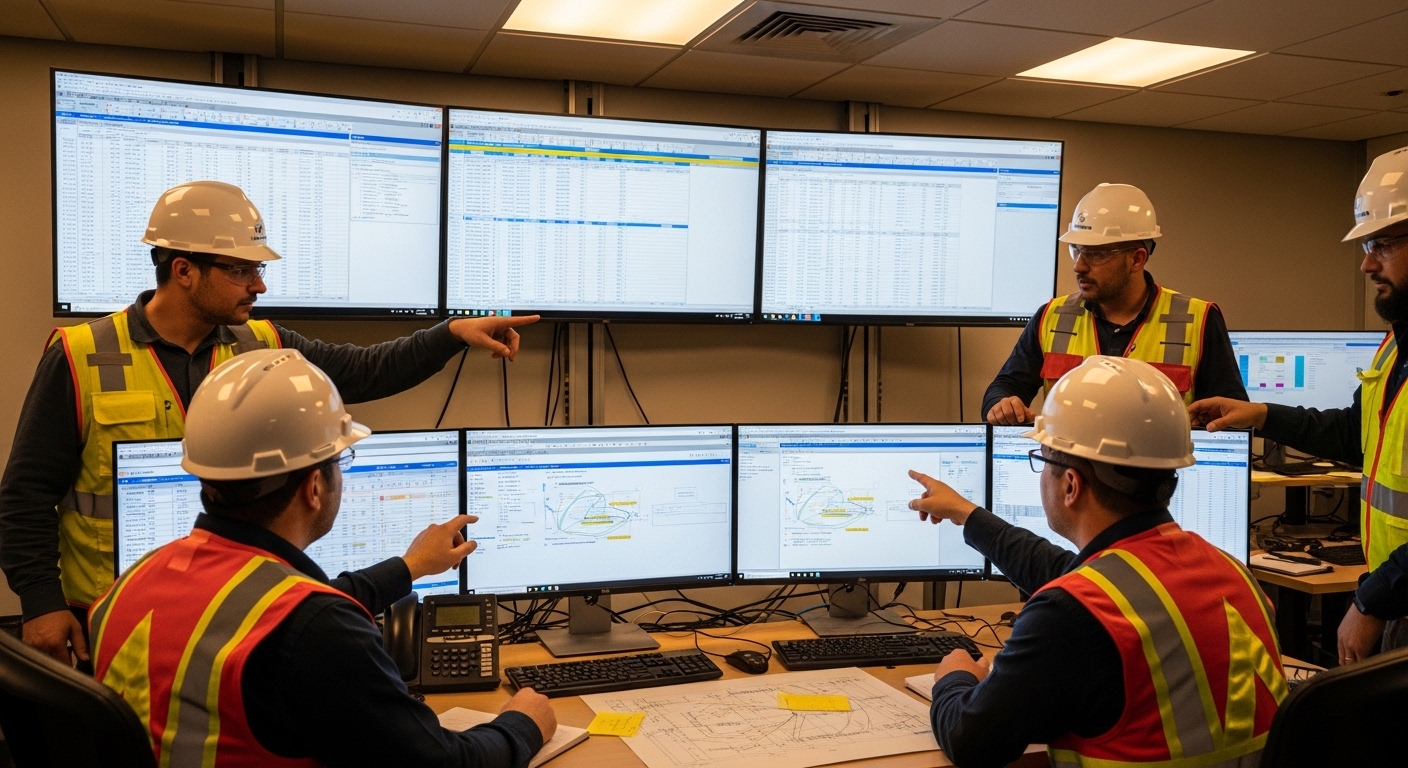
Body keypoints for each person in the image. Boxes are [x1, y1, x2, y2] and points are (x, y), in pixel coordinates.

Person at [0, 180, 538, 666]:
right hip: (113, 620)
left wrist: (451, 334)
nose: (257, 286)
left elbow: (365, 371)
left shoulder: (262, 343)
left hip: (232, 615)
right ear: (183, 270)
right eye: (240, 270)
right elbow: (24, 495)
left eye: (259, 270)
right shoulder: (81, 355)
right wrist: (41, 603)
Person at [88, 348, 556, 766]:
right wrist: (522, 724)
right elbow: (443, 763)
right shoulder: (318, 630)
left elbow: (277, 610)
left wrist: (411, 566)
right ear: (314, 487)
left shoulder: (135, 581)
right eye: (340, 461)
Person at [911, 356, 1286, 768]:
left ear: (1071, 484)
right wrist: (967, 514)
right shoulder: (1230, 572)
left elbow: (970, 741)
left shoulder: (1072, 613)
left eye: (1043, 460)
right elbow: (1070, 573)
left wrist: (954, 678)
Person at [1190, 146, 1408, 666]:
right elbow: (1354, 433)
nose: (1367, 263)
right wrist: (1261, 416)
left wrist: (1372, 600)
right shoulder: (1396, 344)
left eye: (1381, 244)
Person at [983, 183, 1246, 426]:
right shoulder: (1051, 316)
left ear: (1137, 259)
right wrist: (1002, 404)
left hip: (1156, 464)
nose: (1079, 266)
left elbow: (1231, 420)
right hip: (1067, 463)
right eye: (1076, 250)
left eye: (1095, 254)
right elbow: (1005, 386)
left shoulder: (1198, 320)